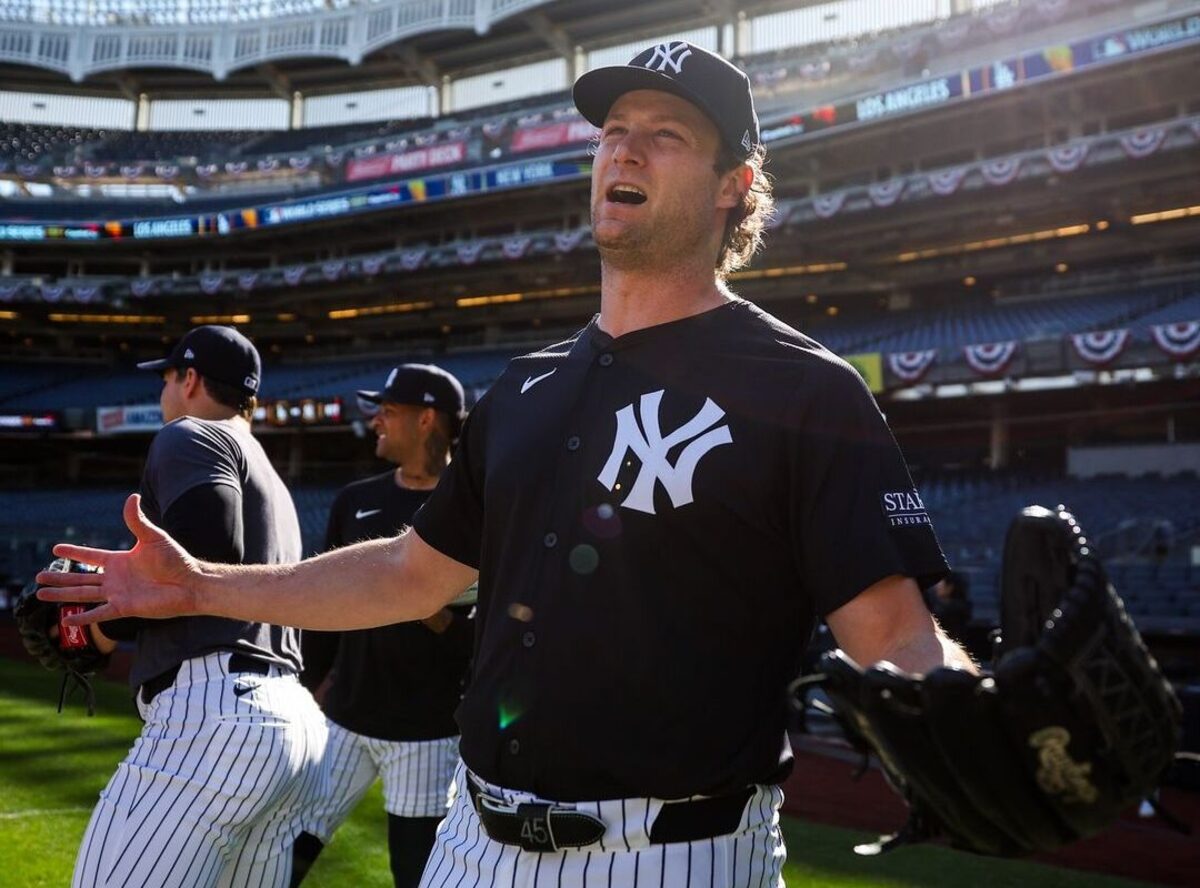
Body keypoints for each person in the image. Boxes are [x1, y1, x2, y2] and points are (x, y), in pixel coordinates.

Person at [41, 43, 976, 888]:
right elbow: (413, 574)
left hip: (679, 855)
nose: (625, 150)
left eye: (667, 135)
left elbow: (893, 632)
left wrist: (979, 708)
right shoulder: (524, 390)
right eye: (613, 132)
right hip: (472, 842)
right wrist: (203, 587)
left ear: (736, 184)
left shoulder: (803, 388)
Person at [69, 325, 327, 888]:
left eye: (165, 377)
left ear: (189, 379)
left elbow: (201, 560)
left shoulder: (190, 434)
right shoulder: (269, 474)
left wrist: (100, 626)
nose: (162, 392)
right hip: (289, 720)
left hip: (218, 716)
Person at [291, 365, 474, 887]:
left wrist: (430, 610)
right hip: (344, 719)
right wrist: (308, 689)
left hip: (427, 734)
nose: (376, 421)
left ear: (426, 420)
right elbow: (325, 607)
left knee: (415, 872)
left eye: (389, 412)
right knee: (284, 852)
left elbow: (490, 636)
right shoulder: (355, 500)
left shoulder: (476, 508)